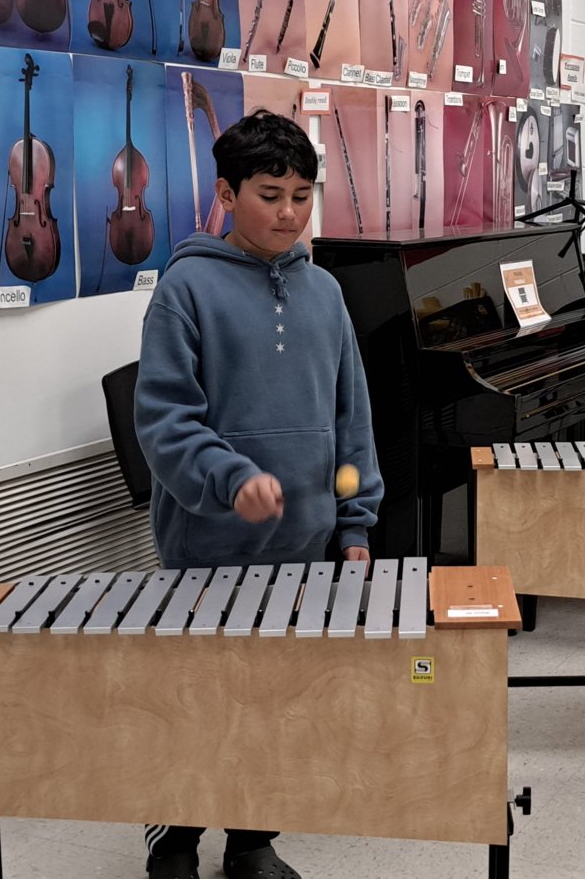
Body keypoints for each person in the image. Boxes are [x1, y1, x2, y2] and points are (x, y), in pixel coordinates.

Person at [134, 110, 383, 879]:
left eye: (302, 196)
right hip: (208, 546)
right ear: (226, 193)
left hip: (305, 546)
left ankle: (252, 837)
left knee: (278, 698)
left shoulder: (327, 294)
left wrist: (356, 520)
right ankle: (174, 832)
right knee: (203, 696)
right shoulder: (187, 289)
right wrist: (230, 479)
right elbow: (165, 420)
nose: (288, 213)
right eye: (270, 194)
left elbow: (352, 420)